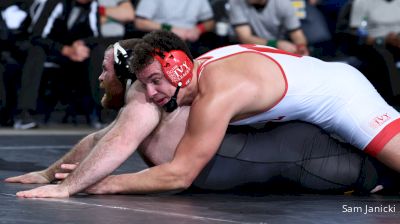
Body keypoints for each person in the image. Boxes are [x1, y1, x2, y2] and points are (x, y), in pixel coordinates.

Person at [7, 36, 400, 198]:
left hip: (342, 96)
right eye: (145, 85)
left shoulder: (217, 93)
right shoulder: (183, 81)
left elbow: (180, 175)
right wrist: (51, 174)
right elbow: (112, 134)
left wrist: (99, 184)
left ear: (178, 70)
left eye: (157, 82)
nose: (153, 94)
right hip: (297, 101)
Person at [134, 0, 217, 56]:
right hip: (162, 38)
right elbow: (140, 22)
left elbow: (210, 22)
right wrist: (170, 29)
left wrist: (199, 29)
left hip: (191, 41)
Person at [228, 0, 309, 55]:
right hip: (250, 49)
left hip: (279, 50)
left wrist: (301, 48)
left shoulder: (283, 3)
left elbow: (296, 33)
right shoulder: (236, 2)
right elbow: (245, 38)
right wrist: (275, 44)